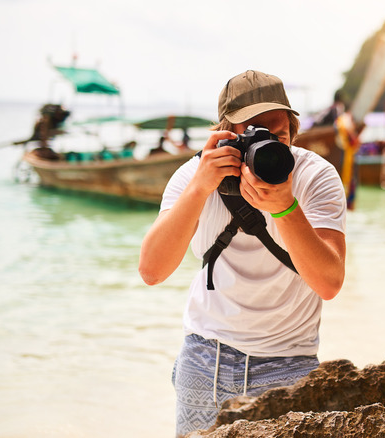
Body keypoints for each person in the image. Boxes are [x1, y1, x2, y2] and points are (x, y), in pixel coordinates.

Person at [138, 70, 347, 437]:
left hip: (290, 363)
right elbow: (152, 271)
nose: (267, 145)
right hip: (205, 359)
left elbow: (329, 282)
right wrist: (201, 187)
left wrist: (285, 208)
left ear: (293, 132)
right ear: (225, 134)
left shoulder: (314, 176)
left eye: (277, 135)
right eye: (253, 133)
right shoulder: (195, 175)